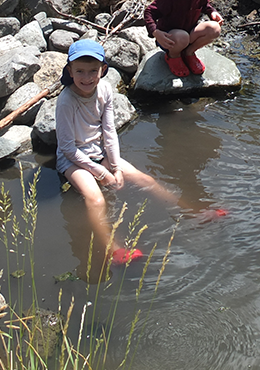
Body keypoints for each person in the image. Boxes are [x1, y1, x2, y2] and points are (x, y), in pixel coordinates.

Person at [55, 39, 183, 269]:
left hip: (99, 150)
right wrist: (101, 172)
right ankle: (114, 249)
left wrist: (114, 167)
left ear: (103, 70)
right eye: (80, 72)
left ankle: (189, 210)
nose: (87, 78)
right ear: (70, 71)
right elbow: (67, 148)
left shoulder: (104, 89)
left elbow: (109, 131)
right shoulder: (66, 101)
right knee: (95, 199)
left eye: (93, 71)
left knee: (145, 179)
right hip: (73, 159)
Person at [144, 0, 227, 77]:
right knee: (182, 37)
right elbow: (149, 12)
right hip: (170, 39)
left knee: (214, 29)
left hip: (189, 34)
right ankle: (173, 56)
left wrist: (212, 12)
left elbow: (204, 5)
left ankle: (189, 52)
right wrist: (156, 32)